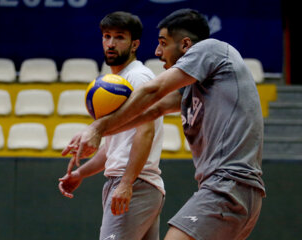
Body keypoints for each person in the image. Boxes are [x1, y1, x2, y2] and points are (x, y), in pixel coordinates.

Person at [63, 8, 266, 240]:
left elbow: (154, 91)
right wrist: (97, 131)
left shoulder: (211, 49)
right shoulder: (194, 89)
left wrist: (97, 128)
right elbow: (153, 110)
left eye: (163, 43)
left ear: (186, 45)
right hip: (231, 190)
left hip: (228, 186)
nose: (158, 52)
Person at [58, 11, 165, 240]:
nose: (111, 43)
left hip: (135, 183)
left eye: (119, 37)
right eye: (107, 37)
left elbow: (146, 132)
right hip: (136, 184)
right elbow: (113, 148)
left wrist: (126, 184)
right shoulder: (116, 82)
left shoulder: (137, 78)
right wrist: (80, 173)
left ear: (134, 44)